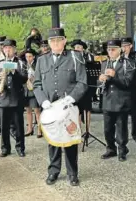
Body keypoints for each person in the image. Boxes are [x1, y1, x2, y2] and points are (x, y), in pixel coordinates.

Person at [33, 28, 88, 186]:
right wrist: (42, 100)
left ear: (65, 40)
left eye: (59, 40)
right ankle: (53, 171)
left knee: (70, 139)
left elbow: (82, 81)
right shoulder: (42, 60)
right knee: (53, 141)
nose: (56, 43)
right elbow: (37, 84)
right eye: (52, 41)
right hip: (50, 107)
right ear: (49, 43)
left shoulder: (75, 57)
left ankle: (72, 173)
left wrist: (72, 97)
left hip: (68, 106)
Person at [98, 39, 135, 162]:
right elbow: (99, 83)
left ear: (120, 49)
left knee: (121, 128)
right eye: (108, 49)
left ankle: (122, 149)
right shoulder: (105, 63)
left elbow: (128, 83)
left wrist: (115, 76)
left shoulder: (128, 63)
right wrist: (100, 79)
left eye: (113, 49)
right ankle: (111, 149)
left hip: (121, 100)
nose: (110, 52)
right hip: (108, 100)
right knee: (107, 129)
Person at [0, 39, 28, 157]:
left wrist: (14, 72)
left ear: (14, 49)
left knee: (19, 125)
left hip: (16, 98)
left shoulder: (20, 63)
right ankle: (5, 148)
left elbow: (24, 79)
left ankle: (20, 147)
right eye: (5, 48)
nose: (7, 50)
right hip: (3, 98)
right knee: (4, 126)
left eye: (10, 48)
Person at [121, 37, 136, 143]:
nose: (124, 48)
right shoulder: (119, 57)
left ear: (131, 46)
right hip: (121, 89)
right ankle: (122, 136)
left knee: (135, 113)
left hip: (133, 88)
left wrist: (135, 75)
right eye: (123, 46)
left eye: (126, 46)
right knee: (122, 115)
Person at [70, 39, 96, 131]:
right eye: (76, 47)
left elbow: (92, 65)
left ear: (83, 49)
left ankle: (88, 130)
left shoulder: (88, 57)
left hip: (88, 85)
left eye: (80, 47)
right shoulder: (72, 57)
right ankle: (78, 130)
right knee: (77, 109)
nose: (78, 49)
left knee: (88, 108)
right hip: (76, 87)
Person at [23, 48, 42, 138]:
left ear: (34, 57)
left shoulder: (37, 65)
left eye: (30, 56)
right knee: (28, 110)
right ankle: (29, 129)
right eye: (26, 56)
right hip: (26, 90)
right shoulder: (24, 65)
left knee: (37, 110)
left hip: (34, 90)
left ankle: (39, 129)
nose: (28, 58)